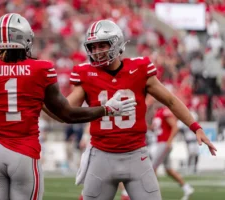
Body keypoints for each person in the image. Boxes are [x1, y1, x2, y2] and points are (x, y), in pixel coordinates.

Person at [0, 13, 135, 200]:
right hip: (25, 153)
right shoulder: (40, 69)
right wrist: (107, 109)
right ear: (26, 39)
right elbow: (68, 114)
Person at [45, 19, 216, 200]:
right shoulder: (85, 73)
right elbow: (64, 112)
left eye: (102, 45)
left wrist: (195, 127)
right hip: (101, 156)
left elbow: (171, 101)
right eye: (93, 47)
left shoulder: (139, 69)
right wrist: (40, 100)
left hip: (136, 155)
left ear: (117, 43)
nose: (97, 51)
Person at [151, 103, 194, 200]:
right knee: (168, 169)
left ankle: (154, 195)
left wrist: (169, 141)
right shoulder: (158, 113)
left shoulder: (164, 112)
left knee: (152, 168)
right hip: (160, 143)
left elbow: (175, 126)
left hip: (163, 143)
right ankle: (187, 188)